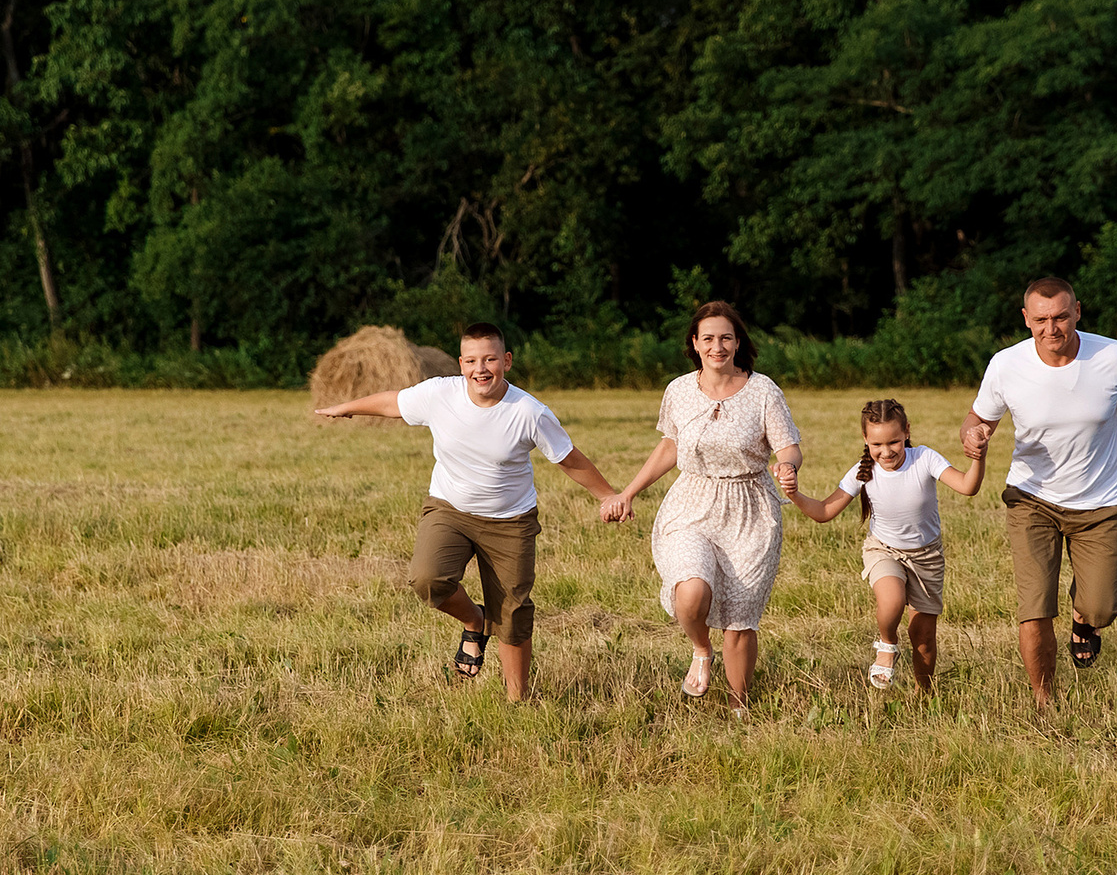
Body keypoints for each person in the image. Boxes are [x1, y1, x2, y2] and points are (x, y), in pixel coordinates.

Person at [315, 321, 619, 701]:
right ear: (460, 364)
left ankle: (516, 702)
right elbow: (394, 402)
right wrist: (348, 408)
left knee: (511, 613)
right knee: (427, 579)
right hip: (450, 508)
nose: (481, 369)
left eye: (490, 359)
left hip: (510, 521)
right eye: (473, 360)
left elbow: (568, 458)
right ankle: (475, 620)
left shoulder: (528, 411)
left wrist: (607, 495)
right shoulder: (441, 394)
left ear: (506, 361)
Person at [959, 276, 1117, 707]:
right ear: (1026, 319)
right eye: (1040, 319)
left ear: (1077, 311)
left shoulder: (1112, 357)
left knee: (1101, 607)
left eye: (1060, 316)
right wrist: (974, 436)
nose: (1051, 328)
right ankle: (1045, 700)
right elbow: (977, 419)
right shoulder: (1006, 364)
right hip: (1030, 499)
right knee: (1034, 608)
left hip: (1099, 504)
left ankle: (1084, 621)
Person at [600, 301, 802, 715]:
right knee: (691, 592)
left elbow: (789, 447)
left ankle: (738, 706)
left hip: (750, 510)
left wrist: (786, 466)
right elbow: (670, 447)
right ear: (694, 343)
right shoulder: (678, 390)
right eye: (708, 338)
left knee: (740, 619)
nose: (717, 346)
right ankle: (700, 649)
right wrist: (629, 491)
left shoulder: (763, 390)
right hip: (692, 504)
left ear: (738, 341)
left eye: (726, 337)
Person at [787, 397, 987, 692]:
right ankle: (887, 644)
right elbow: (824, 512)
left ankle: (925, 693)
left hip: (927, 556)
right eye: (877, 445)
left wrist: (978, 458)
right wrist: (794, 494)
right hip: (884, 550)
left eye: (893, 442)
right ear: (865, 439)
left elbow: (968, 487)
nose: (886, 451)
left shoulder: (924, 458)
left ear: (907, 431)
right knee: (891, 601)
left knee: (923, 638)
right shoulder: (862, 471)